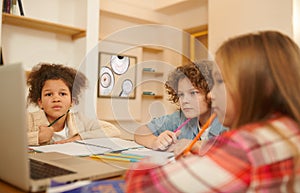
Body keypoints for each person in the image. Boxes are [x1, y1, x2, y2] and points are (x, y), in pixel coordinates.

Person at [125, 30, 300, 192]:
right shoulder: (288, 129)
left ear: (259, 86)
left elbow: (143, 187)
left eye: (220, 82)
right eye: (181, 94)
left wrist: (143, 166)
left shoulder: (244, 146)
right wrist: (156, 141)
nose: (210, 94)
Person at [134, 60, 227, 153]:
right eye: (181, 95)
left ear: (211, 92)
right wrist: (155, 142)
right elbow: (140, 132)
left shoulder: (227, 120)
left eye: (193, 93)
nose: (184, 101)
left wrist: (192, 145)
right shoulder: (180, 118)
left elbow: (232, 148)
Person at [27, 63, 120, 146]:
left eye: (62, 94)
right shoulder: (29, 120)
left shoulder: (80, 120)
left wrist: (78, 138)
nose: (56, 99)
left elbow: (113, 130)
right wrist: (37, 137)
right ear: (40, 102)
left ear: (72, 102)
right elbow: (12, 140)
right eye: (49, 94)